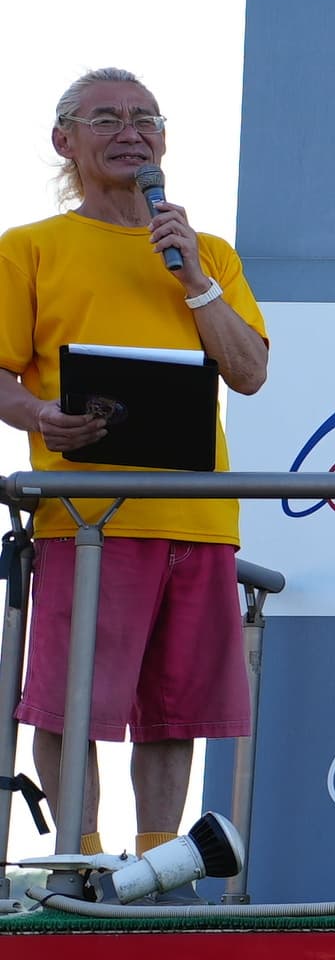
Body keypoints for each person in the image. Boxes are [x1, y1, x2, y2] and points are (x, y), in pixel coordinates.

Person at [0, 68, 270, 866]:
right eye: (107, 118)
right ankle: (81, 865)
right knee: (70, 708)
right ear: (65, 141)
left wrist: (195, 282)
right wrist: (40, 416)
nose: (131, 132)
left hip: (199, 519)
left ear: (164, 139)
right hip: (86, 519)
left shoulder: (207, 254)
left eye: (145, 117)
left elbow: (250, 371)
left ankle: (158, 868)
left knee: (176, 712)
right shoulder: (30, 248)